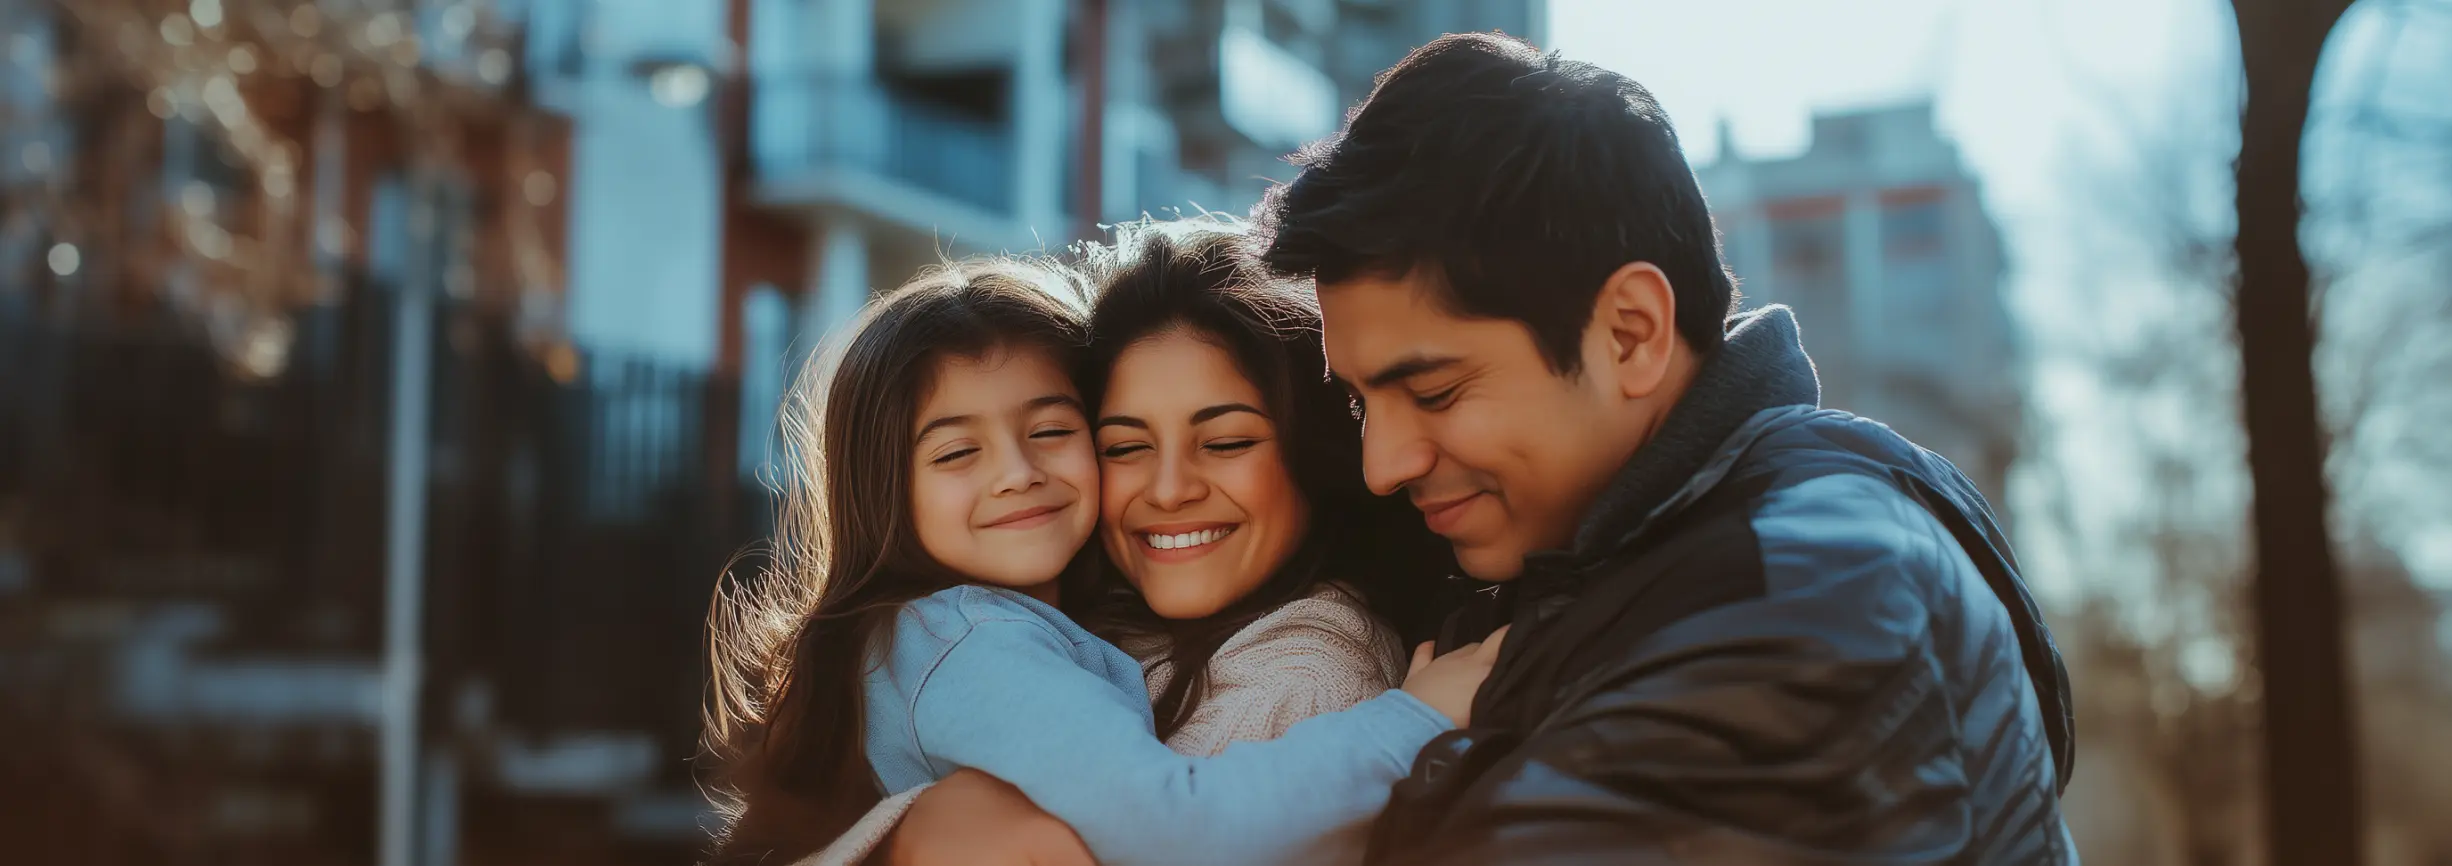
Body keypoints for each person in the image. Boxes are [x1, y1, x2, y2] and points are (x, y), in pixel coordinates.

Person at [1247, 32, 2080, 864]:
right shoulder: (1636, 561)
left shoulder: (1799, 598)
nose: (1382, 464)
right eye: (1359, 402)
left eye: (1435, 393)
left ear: (1631, 333)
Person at [698, 256, 1499, 866]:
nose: (1017, 471)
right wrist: (1413, 722)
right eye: (955, 453)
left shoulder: (1306, 667)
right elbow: (1174, 824)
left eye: (1051, 431)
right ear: (884, 490)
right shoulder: (970, 640)